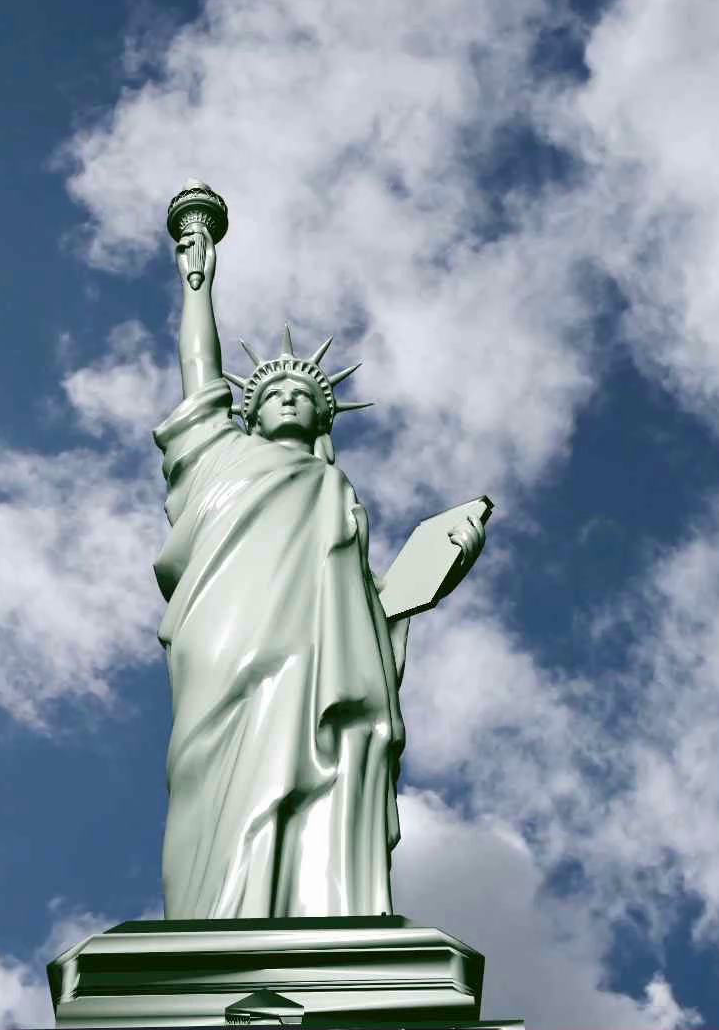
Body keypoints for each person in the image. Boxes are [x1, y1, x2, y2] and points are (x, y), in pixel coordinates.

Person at [152, 226, 485, 919]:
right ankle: (213, 918)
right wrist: (198, 285)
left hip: (316, 648)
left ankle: (313, 907)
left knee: (325, 756)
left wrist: (434, 570)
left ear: (324, 417)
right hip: (226, 633)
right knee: (213, 773)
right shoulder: (218, 454)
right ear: (250, 411)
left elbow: (366, 608)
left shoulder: (337, 493)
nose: (289, 400)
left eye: (306, 396)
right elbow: (199, 372)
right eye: (273, 395)